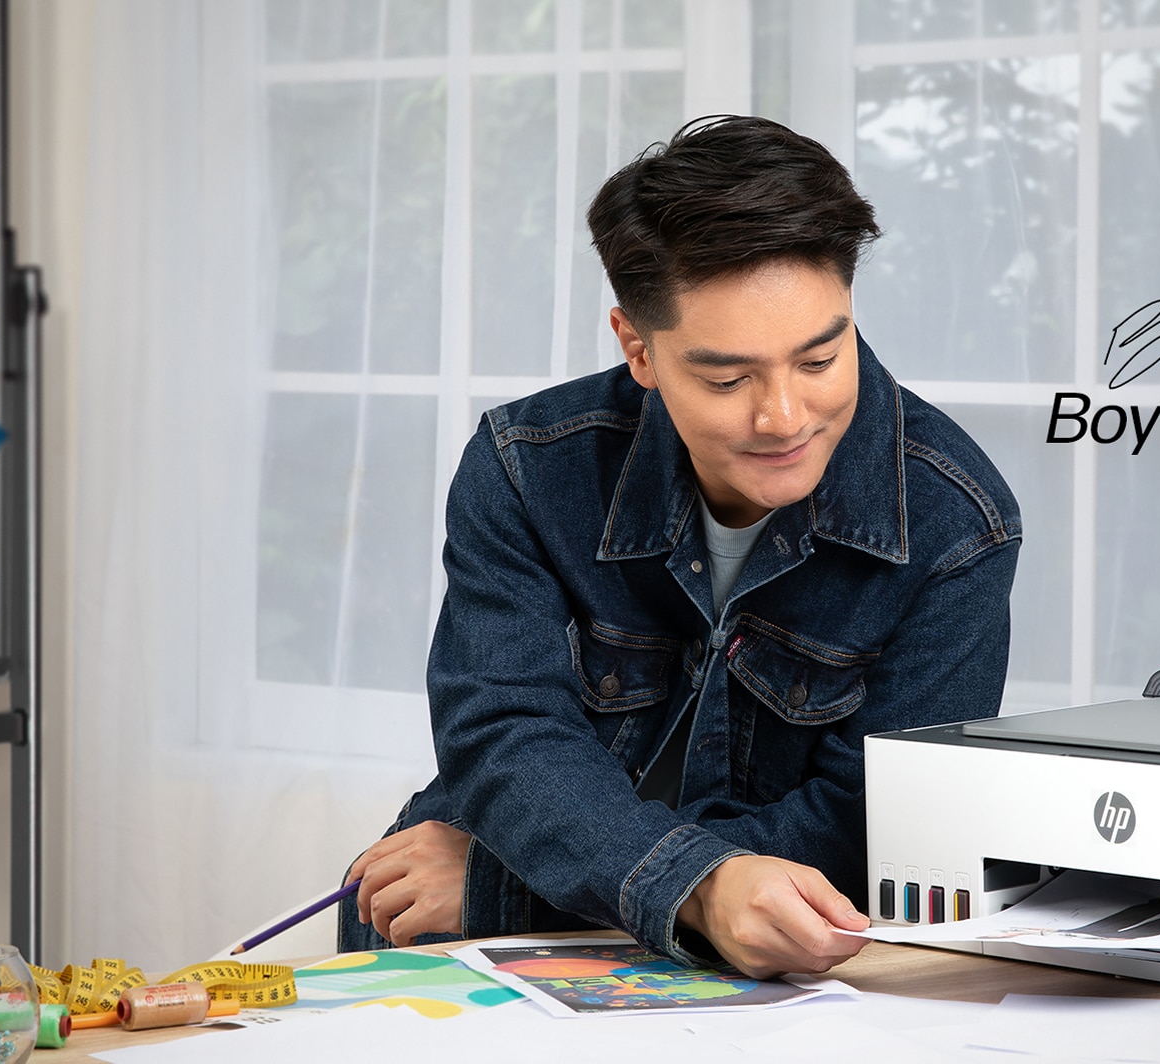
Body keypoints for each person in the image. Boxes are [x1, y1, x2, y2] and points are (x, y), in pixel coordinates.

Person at [339, 115, 1021, 978]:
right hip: (480, 924)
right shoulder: (528, 467)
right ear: (639, 348)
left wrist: (579, 890)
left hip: (734, 944)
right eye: (728, 378)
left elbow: (878, 832)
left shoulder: (959, 521)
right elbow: (505, 736)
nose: (783, 417)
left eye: (819, 360)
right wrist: (699, 888)